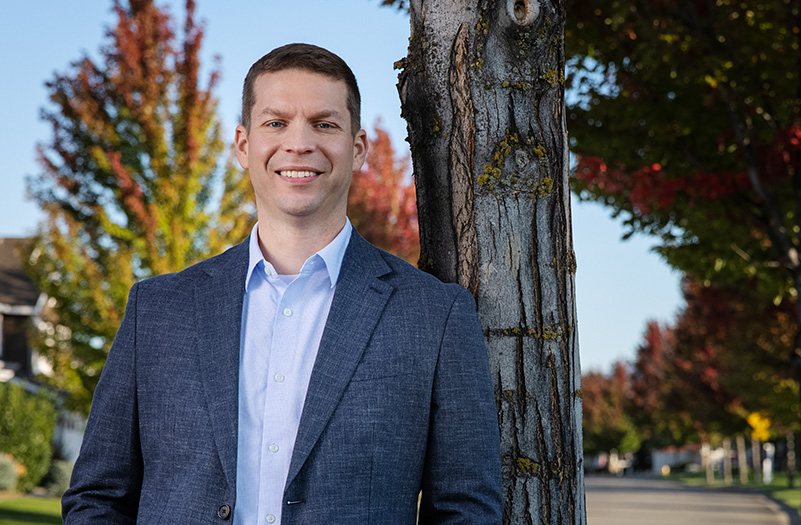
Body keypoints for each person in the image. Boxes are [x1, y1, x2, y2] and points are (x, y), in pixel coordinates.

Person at [62, 43, 502, 524]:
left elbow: (466, 509)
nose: (298, 143)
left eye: (324, 123)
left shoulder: (435, 316)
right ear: (243, 145)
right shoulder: (158, 309)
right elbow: (98, 497)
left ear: (356, 149)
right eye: (276, 123)